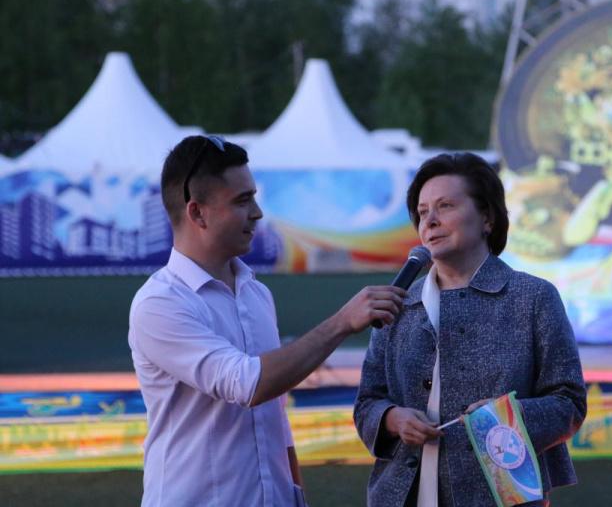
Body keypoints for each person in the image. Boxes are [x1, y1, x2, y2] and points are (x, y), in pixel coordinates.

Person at [128, 135, 405, 506]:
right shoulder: (159, 303)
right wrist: (342, 322)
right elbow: (248, 384)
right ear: (197, 213)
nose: (257, 212)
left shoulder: (255, 293)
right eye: (242, 201)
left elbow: (274, 414)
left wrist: (295, 494)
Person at [353, 153, 587, 506]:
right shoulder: (398, 304)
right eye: (422, 212)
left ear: (487, 218)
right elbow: (367, 403)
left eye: (445, 206)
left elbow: (569, 402)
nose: (430, 220)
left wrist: (508, 417)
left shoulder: (532, 297)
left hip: (500, 495)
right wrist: (393, 419)